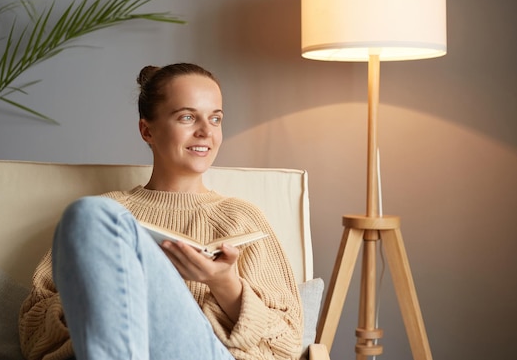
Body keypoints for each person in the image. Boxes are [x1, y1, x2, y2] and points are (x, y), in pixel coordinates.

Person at [18, 63, 303, 360]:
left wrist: (224, 284)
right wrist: (110, 291)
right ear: (147, 130)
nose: (206, 131)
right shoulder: (108, 220)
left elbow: (288, 343)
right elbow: (34, 333)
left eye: (215, 119)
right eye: (188, 117)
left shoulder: (242, 217)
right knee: (88, 213)